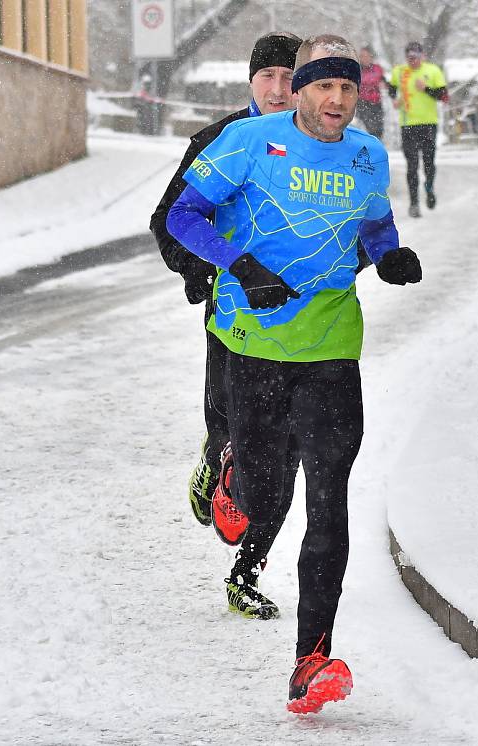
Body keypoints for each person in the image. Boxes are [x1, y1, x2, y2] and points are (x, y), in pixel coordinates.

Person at [166, 33, 422, 713]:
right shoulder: (248, 143)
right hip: (253, 345)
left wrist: (389, 254)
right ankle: (230, 468)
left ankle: (313, 659)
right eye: (323, 87)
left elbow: (375, 224)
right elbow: (181, 216)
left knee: (328, 500)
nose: (337, 100)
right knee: (262, 491)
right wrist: (239, 265)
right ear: (300, 90)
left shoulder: (368, 156)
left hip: (334, 348)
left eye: (348, 88)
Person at [149, 31, 303, 620]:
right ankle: (216, 461)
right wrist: (202, 275)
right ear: (251, 81)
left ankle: (248, 567)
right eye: (267, 76)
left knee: (285, 444)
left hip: (299, 322)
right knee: (233, 429)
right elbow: (169, 219)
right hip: (233, 315)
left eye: (289, 77)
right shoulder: (218, 141)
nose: (278, 88)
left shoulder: (317, 145)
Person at [388, 41, 448, 218]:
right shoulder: (400, 72)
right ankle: (414, 203)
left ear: (422, 56)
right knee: (412, 165)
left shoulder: (432, 71)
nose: (412, 61)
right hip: (407, 125)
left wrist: (426, 89)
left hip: (428, 123)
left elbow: (443, 95)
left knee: (429, 162)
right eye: (409, 58)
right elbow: (391, 90)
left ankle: (429, 189)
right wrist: (395, 99)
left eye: (415, 57)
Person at [355, 45, 386, 140]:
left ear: (371, 56)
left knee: (377, 131)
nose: (364, 58)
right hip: (362, 103)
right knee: (366, 131)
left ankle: (376, 148)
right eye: (361, 56)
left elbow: (384, 82)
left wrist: (384, 85)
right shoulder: (356, 69)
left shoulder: (377, 69)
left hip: (376, 103)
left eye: (366, 56)